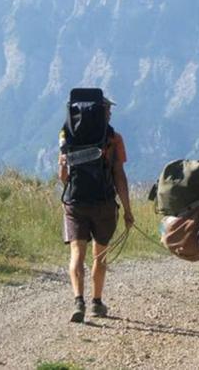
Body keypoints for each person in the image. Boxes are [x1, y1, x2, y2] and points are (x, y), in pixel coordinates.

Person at [58, 95, 134, 323]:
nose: (110, 113)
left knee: (76, 255)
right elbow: (119, 176)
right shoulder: (114, 138)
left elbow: (63, 176)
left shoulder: (68, 136)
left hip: (74, 202)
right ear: (102, 112)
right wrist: (128, 211)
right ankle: (96, 303)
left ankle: (78, 300)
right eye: (108, 110)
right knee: (99, 256)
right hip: (104, 205)